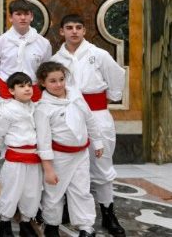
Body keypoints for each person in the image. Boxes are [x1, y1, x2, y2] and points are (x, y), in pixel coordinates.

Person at [51, 14, 126, 236]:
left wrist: (110, 96)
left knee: (102, 165)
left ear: (84, 31)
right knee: (66, 164)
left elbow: (117, 76)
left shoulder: (98, 54)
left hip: (97, 114)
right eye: (69, 28)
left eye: (78, 27)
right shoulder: (57, 59)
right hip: (68, 117)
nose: (74, 31)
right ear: (62, 32)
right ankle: (65, 209)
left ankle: (108, 212)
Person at [35, 61, 104, 237]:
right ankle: (51, 225)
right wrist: (48, 169)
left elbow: (89, 119)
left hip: (81, 154)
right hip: (58, 157)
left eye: (61, 79)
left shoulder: (75, 95)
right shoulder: (43, 108)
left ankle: (86, 227)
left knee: (81, 190)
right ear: (43, 83)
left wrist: (97, 141)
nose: (58, 84)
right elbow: (43, 141)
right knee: (54, 193)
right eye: (52, 81)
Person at [0, 72, 41, 237]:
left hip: (34, 157)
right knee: (11, 190)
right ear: (11, 91)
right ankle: (5, 222)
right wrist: (5, 151)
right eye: (21, 86)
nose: (27, 89)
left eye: (29, 85)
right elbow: (0, 135)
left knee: (31, 191)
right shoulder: (7, 110)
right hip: (15, 156)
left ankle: (26, 222)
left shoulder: (36, 107)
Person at [0, 0, 52, 101]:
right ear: (10, 17)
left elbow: (45, 71)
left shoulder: (44, 43)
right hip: (6, 92)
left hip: (33, 91)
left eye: (26, 14)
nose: (23, 18)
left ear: (31, 17)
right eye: (18, 14)